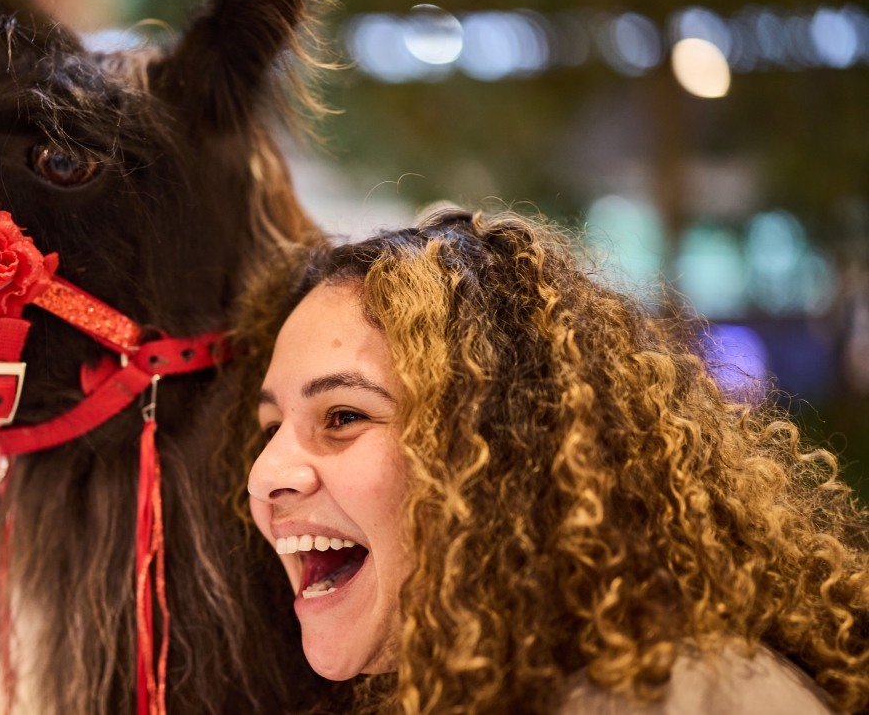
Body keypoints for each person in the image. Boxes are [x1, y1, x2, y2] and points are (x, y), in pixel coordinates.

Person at [239, 209, 869, 714]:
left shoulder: (695, 696)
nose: (263, 475)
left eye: (344, 417)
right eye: (270, 427)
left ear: (501, 450)